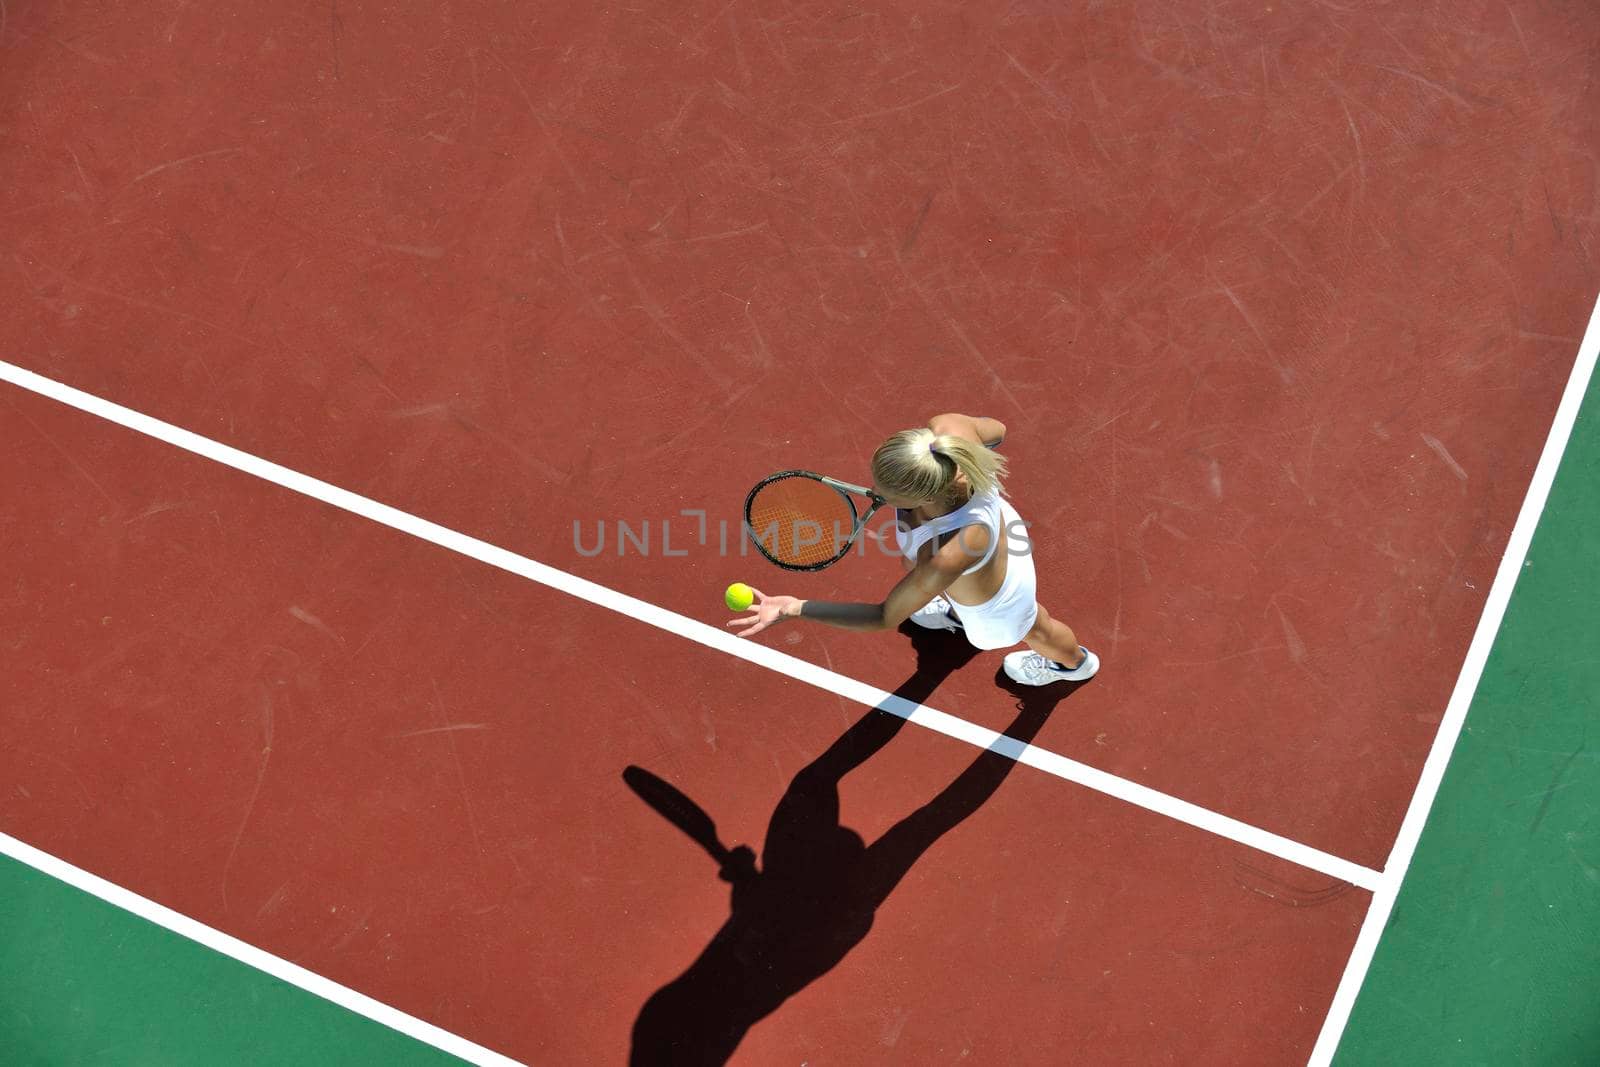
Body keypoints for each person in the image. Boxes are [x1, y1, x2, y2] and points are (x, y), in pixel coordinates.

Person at [727, 412, 1097, 685]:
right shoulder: (949, 433)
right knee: (926, 577)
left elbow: (884, 616)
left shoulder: (944, 555)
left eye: (887, 493)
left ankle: (1074, 664)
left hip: (995, 605)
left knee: (1037, 625)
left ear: (926, 495)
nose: (876, 493)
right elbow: (997, 430)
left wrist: (794, 608)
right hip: (993, 531)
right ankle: (953, 609)